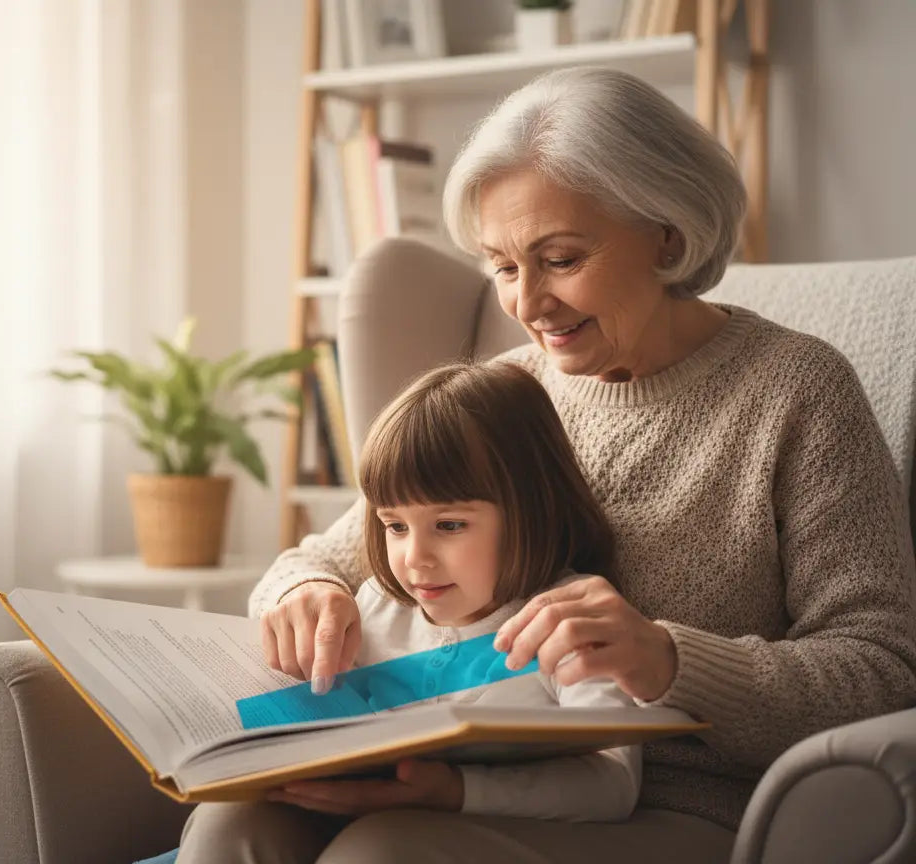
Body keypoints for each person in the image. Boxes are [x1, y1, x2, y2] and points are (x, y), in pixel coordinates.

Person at [179, 66, 916, 863]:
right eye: (502, 267)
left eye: (560, 259)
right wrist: (306, 592)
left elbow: (882, 669)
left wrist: (669, 660)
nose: (527, 305)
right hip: (447, 770)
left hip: (681, 805)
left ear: (666, 234)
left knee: (385, 853)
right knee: (230, 826)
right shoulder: (509, 391)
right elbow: (330, 553)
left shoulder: (798, 391)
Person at [299, 359, 639, 820]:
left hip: (482, 836)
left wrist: (455, 790)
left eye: (449, 524)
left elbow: (613, 782)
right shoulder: (377, 607)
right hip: (342, 814)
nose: (415, 558)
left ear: (530, 509)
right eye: (395, 526)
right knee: (227, 825)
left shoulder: (572, 621)